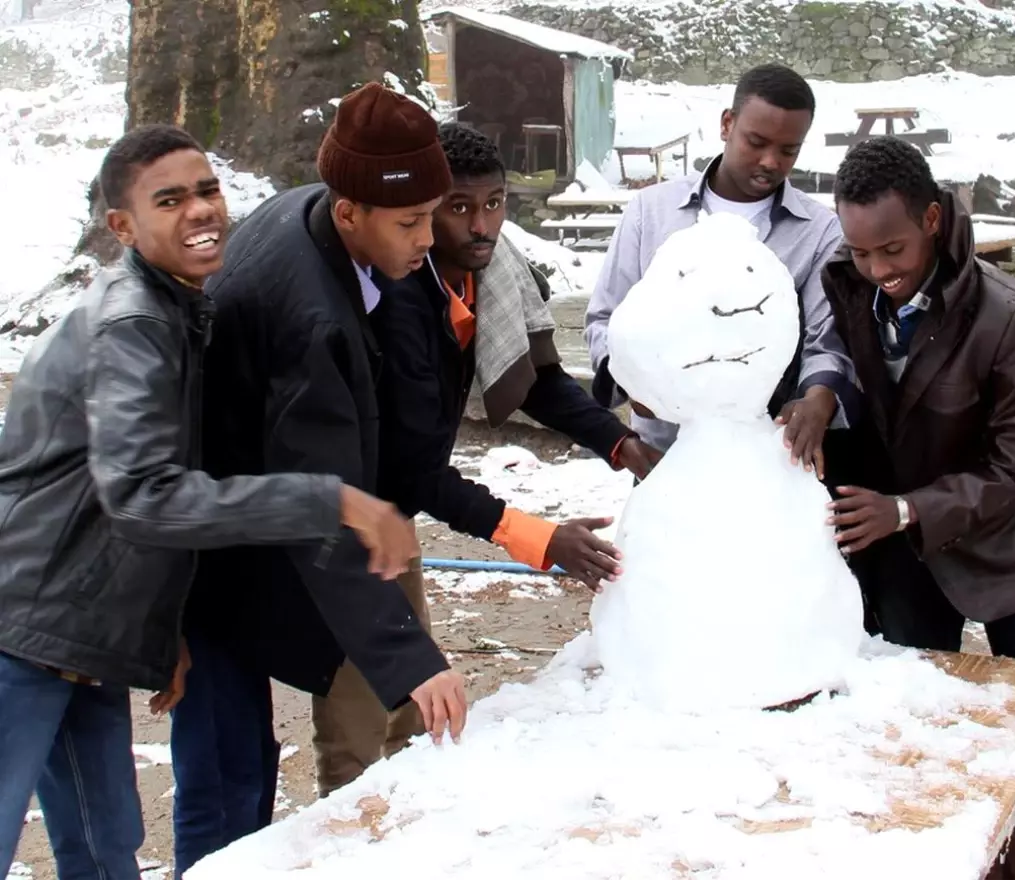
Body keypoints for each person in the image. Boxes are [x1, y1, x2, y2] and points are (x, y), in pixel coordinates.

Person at [0, 124, 418, 880]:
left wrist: (161, 629)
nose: (200, 211)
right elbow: (145, 497)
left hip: (78, 639)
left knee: (103, 846)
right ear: (123, 226)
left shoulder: (177, 309)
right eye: (170, 200)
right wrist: (327, 499)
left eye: (207, 190)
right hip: (22, 632)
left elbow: (135, 488)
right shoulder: (133, 324)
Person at [168, 84, 469, 876]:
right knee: (227, 767)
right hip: (216, 544)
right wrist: (413, 662)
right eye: (409, 223)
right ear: (349, 213)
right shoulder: (310, 321)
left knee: (245, 760)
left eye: (431, 213)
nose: (427, 238)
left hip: (252, 515)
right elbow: (321, 509)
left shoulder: (319, 216)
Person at [313, 121, 665, 796]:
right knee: (359, 702)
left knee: (412, 698)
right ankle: (340, 832)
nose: (482, 226)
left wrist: (619, 443)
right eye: (458, 208)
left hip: (395, 509)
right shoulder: (396, 300)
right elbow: (415, 469)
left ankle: (405, 818)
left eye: (495, 203)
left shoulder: (490, 271)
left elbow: (538, 378)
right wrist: (537, 538)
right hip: (348, 512)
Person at [820, 136, 1015, 877]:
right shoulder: (846, 279)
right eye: (863, 254)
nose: (880, 272)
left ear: (933, 219)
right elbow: (835, 371)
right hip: (900, 540)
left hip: (1013, 547)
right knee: (912, 710)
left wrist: (904, 511)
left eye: (893, 251)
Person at [584, 63, 857, 473]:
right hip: (663, 456)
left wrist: (820, 396)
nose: (770, 161)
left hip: (767, 459)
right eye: (756, 142)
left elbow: (827, 340)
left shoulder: (820, 232)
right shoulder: (650, 212)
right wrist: (631, 381)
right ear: (727, 124)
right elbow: (606, 318)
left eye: (788, 150)